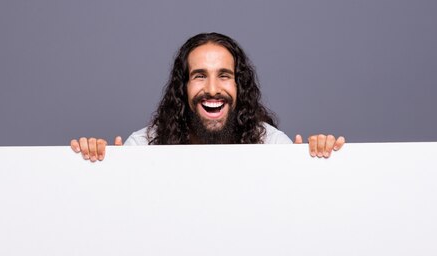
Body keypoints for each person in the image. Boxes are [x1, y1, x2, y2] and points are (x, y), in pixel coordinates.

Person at [70, 32, 345, 160]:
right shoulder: (143, 146)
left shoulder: (271, 144)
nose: (213, 89)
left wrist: (316, 160)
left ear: (240, 87)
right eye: (200, 75)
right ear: (183, 87)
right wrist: (100, 167)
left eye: (224, 75)